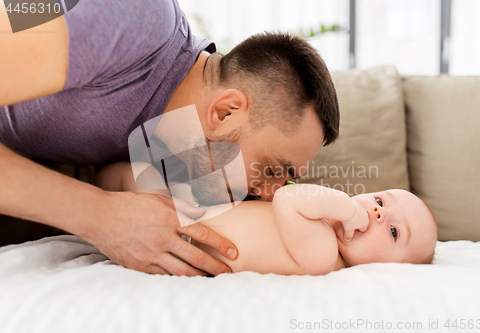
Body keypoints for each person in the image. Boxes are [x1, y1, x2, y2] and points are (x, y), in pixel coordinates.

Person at [0, 0, 339, 276]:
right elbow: (17, 13)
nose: (269, 197)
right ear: (225, 112)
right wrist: (100, 215)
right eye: (271, 169)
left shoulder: (175, 146)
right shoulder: (132, 16)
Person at [95, 165, 438, 275]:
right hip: (185, 210)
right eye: (380, 200)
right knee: (126, 174)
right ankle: (90, 191)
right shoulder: (323, 225)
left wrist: (348, 210)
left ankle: (90, 205)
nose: (377, 212)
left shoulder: (325, 259)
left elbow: (290, 199)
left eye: (393, 231)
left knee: (127, 183)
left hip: (178, 239)